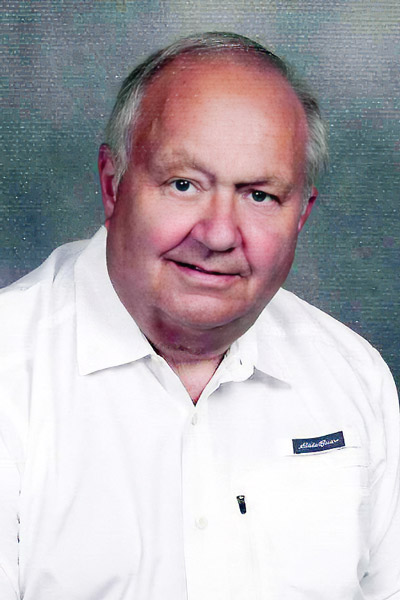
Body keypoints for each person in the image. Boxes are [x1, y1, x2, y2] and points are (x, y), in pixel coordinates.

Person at [0, 32, 399, 600]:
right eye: (183, 185)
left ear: (301, 214)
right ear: (112, 186)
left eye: (259, 195)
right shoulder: (11, 372)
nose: (217, 235)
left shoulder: (354, 377)